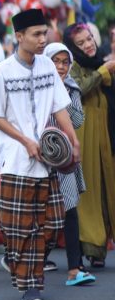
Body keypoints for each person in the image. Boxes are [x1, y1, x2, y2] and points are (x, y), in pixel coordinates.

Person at [0, 8, 80, 300]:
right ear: (19, 36)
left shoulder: (47, 68)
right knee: (20, 227)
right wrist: (24, 140)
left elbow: (59, 107)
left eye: (45, 33)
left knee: (50, 225)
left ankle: (27, 270)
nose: (42, 39)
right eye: (36, 34)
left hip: (47, 160)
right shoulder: (1, 71)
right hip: (15, 161)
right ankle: (30, 286)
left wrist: (73, 141)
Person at [43, 42, 96, 286]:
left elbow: (76, 120)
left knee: (69, 210)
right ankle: (30, 261)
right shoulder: (36, 86)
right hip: (38, 157)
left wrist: (63, 93)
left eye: (65, 62)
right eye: (56, 61)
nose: (61, 66)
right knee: (40, 212)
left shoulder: (71, 88)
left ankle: (74, 268)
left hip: (63, 157)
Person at [63, 22, 115, 268]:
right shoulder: (71, 66)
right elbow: (78, 88)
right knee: (88, 189)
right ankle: (88, 246)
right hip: (83, 132)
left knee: (105, 186)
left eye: (89, 39)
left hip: (104, 132)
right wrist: (103, 72)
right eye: (81, 43)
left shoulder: (98, 63)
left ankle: (100, 247)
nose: (88, 45)